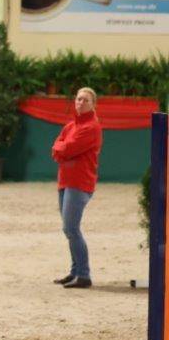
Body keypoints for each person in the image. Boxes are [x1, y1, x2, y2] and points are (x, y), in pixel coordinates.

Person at [51, 87, 102, 288]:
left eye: (85, 100)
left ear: (93, 104)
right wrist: (61, 149)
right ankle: (75, 272)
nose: (80, 103)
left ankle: (83, 275)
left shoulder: (91, 128)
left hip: (79, 183)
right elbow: (57, 147)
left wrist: (61, 149)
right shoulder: (70, 126)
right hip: (65, 180)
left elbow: (68, 148)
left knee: (71, 228)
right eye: (79, 99)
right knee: (69, 229)